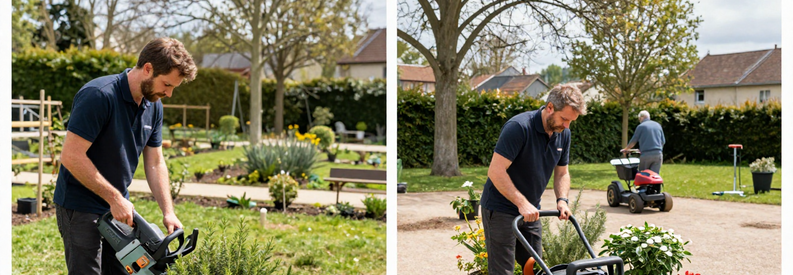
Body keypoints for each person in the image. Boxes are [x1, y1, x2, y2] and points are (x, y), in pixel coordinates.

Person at [53, 37, 197, 274]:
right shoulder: (98, 95)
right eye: (167, 84)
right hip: (79, 206)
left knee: (126, 270)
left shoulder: (154, 105)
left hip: (118, 209)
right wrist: (114, 198)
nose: (169, 94)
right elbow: (71, 156)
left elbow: (155, 162)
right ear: (148, 68)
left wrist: (168, 211)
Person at [480, 83, 587, 274]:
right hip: (501, 209)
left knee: (534, 268)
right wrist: (521, 203)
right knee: (502, 271)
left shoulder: (563, 134)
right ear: (550, 107)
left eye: (571, 121)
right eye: (564, 119)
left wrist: (562, 200)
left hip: (531, 211)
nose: (567, 125)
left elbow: (562, 172)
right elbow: (496, 171)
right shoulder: (519, 127)